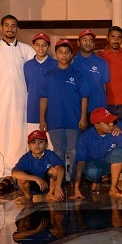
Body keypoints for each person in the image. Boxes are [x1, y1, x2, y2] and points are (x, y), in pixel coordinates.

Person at [0, 15, 35, 186]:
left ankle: (19, 171)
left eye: (13, 25)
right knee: (2, 136)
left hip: (22, 102)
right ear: (1, 28)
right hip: (1, 102)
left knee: (20, 136)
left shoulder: (26, 50)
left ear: (17, 28)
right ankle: (5, 174)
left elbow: (37, 71)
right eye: (7, 25)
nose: (10, 28)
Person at [39, 39, 89, 186]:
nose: (63, 55)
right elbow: (44, 98)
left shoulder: (78, 74)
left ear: (71, 55)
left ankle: (72, 179)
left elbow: (84, 98)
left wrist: (83, 117)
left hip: (74, 119)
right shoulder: (48, 75)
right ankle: (59, 180)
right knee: (58, 151)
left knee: (73, 150)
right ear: (56, 54)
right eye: (60, 52)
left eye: (67, 52)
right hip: (54, 120)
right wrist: (42, 119)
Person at [73, 108, 122, 199]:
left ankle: (113, 188)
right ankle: (97, 180)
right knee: (93, 170)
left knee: (119, 152)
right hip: (93, 166)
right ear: (97, 126)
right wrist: (76, 188)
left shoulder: (116, 133)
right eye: (107, 123)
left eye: (112, 122)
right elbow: (80, 163)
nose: (111, 125)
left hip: (108, 165)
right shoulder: (85, 137)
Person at [11, 130, 65, 205]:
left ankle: (50, 193)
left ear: (46, 145)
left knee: (55, 170)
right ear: (29, 146)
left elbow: (61, 168)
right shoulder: (25, 158)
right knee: (21, 177)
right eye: (33, 142)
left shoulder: (50, 154)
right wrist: (36, 178)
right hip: (32, 185)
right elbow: (14, 173)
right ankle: (28, 196)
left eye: (40, 142)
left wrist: (58, 187)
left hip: (48, 185)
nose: (37, 145)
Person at [24, 32, 57, 138]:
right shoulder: (27, 66)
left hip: (52, 112)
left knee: (52, 144)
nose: (41, 48)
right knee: (34, 142)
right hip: (32, 111)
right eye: (37, 45)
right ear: (33, 46)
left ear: (48, 47)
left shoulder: (56, 65)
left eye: (44, 45)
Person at [98, 26, 122, 120]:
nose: (116, 40)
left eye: (119, 37)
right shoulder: (100, 57)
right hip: (107, 104)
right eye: (113, 37)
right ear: (107, 38)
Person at [73, 29, 110, 113]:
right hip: (77, 109)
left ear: (94, 44)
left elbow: (104, 87)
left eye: (91, 41)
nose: (88, 43)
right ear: (78, 42)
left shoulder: (102, 62)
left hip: (98, 108)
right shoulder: (72, 63)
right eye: (84, 40)